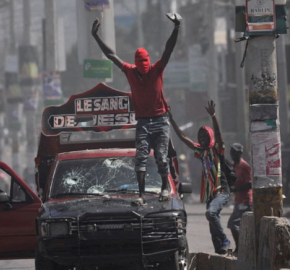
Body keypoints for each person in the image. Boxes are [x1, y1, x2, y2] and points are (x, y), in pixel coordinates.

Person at [91, 13, 181, 205]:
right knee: (140, 158)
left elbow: (168, 49)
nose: (143, 72)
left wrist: (176, 28)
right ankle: (141, 196)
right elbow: (111, 55)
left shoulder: (156, 70)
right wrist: (96, 36)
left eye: (145, 68)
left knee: (161, 158)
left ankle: (165, 188)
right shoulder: (130, 71)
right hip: (142, 121)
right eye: (141, 69)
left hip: (160, 120)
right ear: (136, 66)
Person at [168, 100, 231, 255]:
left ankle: (225, 239)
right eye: (200, 136)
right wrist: (171, 120)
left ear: (209, 137)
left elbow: (218, 134)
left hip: (221, 191)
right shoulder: (201, 152)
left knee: (210, 214)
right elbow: (183, 137)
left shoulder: (217, 149)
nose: (202, 138)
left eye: (205, 136)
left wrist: (213, 116)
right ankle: (220, 250)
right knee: (211, 223)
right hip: (210, 195)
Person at [227, 143, 252, 256]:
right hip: (238, 200)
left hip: (245, 200)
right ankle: (241, 248)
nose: (232, 154)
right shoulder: (233, 166)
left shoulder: (245, 166)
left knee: (233, 224)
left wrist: (236, 190)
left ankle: (240, 248)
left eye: (234, 152)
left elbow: (249, 184)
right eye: (231, 152)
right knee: (237, 225)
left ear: (239, 153)